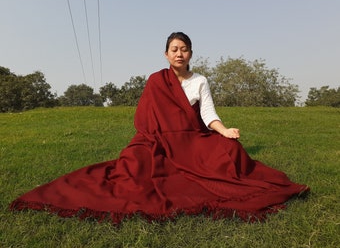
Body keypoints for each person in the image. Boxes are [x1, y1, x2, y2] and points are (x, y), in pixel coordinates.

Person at [10, 32, 309, 223]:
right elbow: (145, 120)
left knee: (230, 150)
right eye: (174, 49)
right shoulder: (156, 81)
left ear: (191, 54)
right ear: (166, 54)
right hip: (157, 139)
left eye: (185, 49)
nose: (180, 54)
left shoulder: (200, 81)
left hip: (192, 139)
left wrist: (224, 130)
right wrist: (154, 140)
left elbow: (208, 115)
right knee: (133, 164)